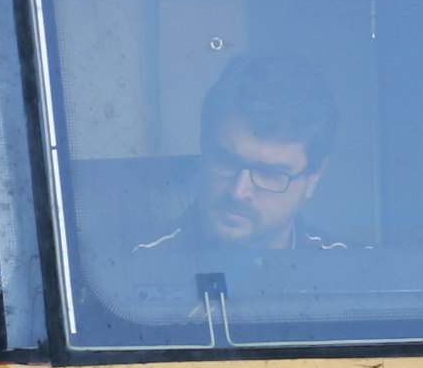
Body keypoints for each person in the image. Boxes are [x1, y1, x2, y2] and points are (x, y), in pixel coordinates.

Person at [145, 49, 349, 258]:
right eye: (226, 162)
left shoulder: (354, 273)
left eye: (269, 173)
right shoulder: (137, 265)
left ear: (314, 177)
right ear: (204, 147)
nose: (238, 192)